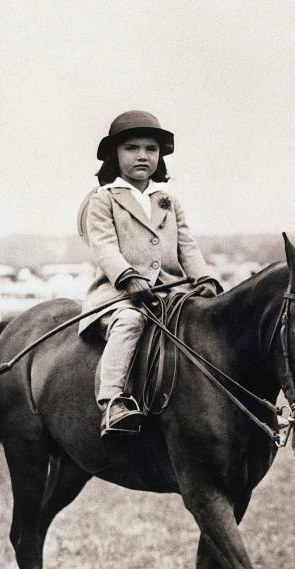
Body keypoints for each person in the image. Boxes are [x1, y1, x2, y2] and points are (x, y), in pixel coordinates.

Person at [77, 110, 220, 437]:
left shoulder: (167, 199)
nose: (142, 155)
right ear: (115, 154)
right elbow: (104, 246)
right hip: (118, 296)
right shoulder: (103, 199)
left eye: (150, 149)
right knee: (130, 321)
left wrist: (204, 278)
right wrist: (128, 277)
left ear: (160, 156)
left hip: (169, 294)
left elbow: (187, 244)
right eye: (131, 148)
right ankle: (113, 400)